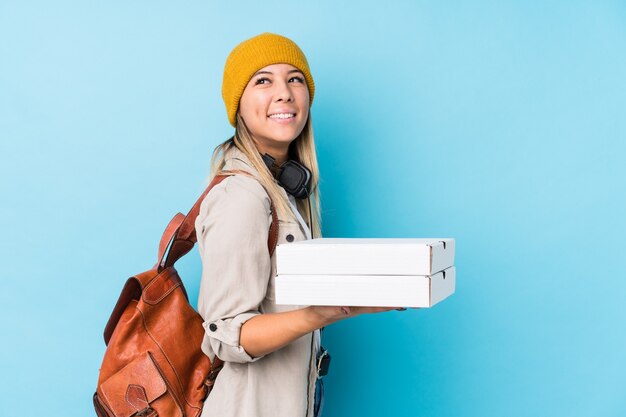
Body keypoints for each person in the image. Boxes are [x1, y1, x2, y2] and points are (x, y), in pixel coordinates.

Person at [195, 32, 396, 417]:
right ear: (238, 104)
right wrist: (320, 314)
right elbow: (225, 335)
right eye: (263, 80)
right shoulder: (243, 196)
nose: (285, 93)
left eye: (295, 79)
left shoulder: (286, 189)